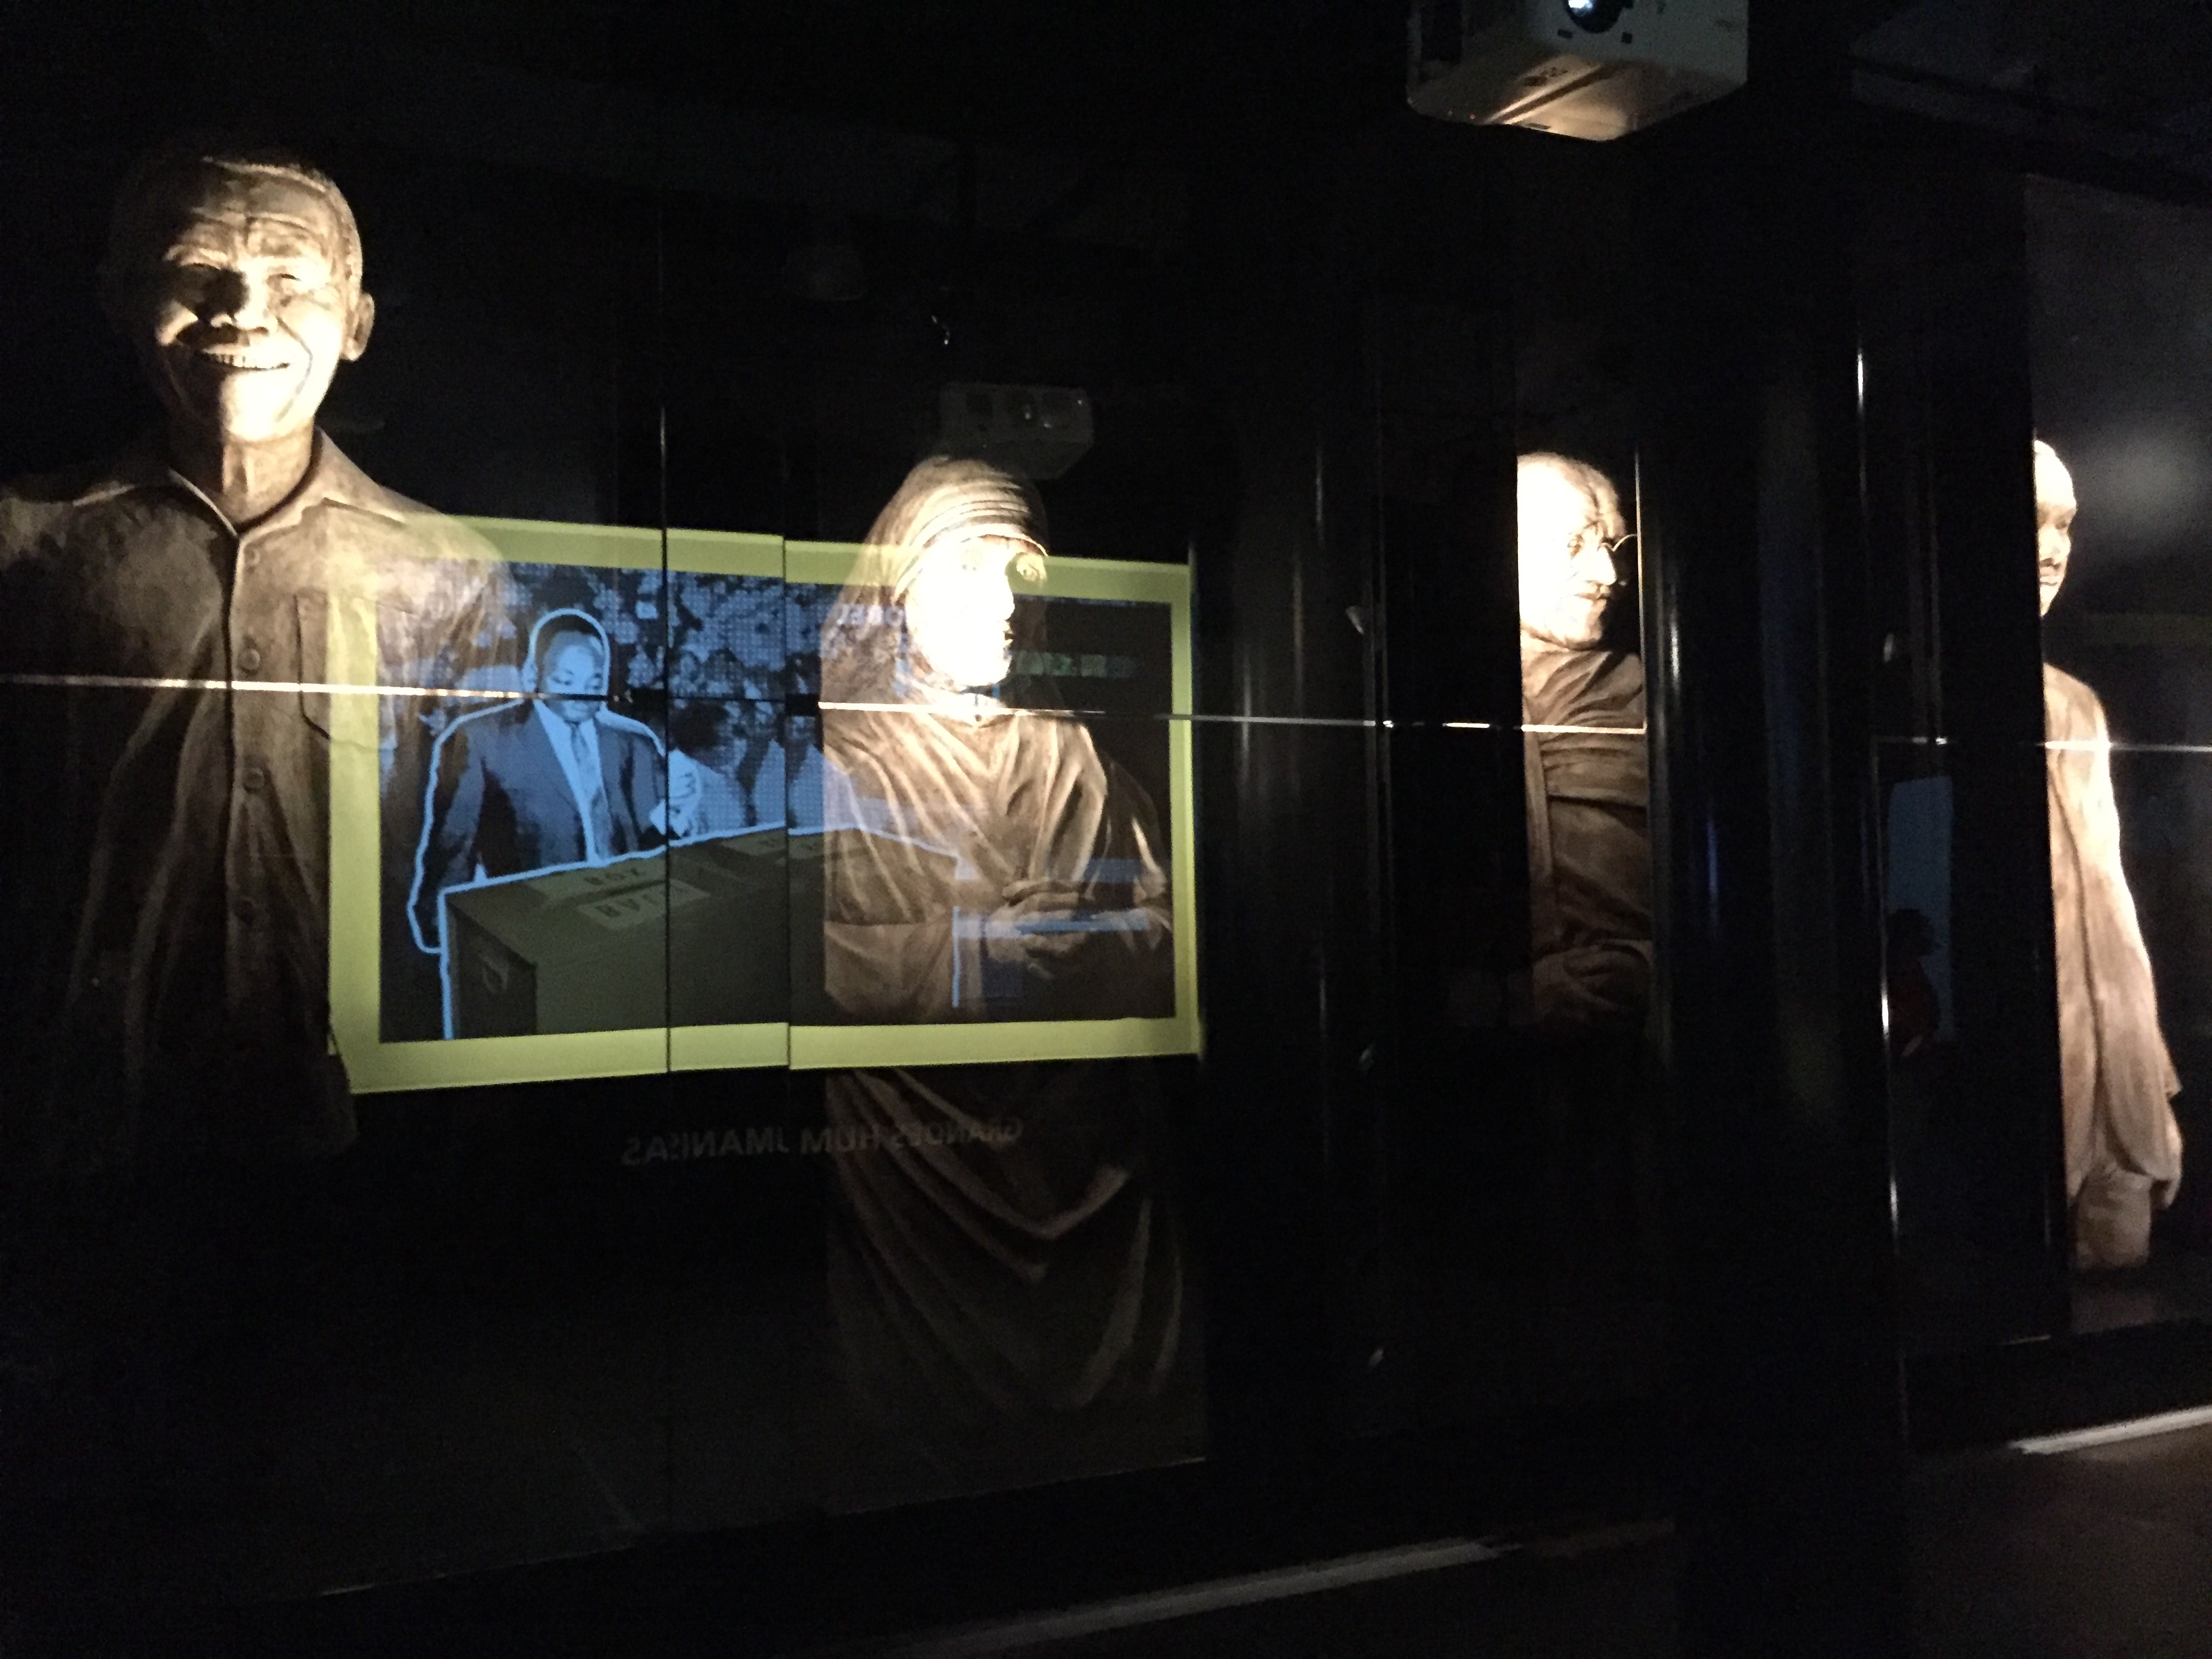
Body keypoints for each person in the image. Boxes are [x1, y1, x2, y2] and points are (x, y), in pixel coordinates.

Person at [0, 136, 511, 1173]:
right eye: (198, 273)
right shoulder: (25, 544)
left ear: (356, 322)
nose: (242, 312)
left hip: (355, 1131)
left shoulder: (448, 573)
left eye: (291, 280)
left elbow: (480, 862)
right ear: (119, 300)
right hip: (79, 1124)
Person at [815, 455, 1181, 1439]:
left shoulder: (1074, 754)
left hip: (1084, 1147)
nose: (1008, 606)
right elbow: (778, 954)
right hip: (916, 1158)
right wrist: (972, 958)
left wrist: (1091, 947)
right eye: (970, 571)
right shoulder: (834, 760)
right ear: (900, 590)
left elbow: (1164, 929)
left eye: (1022, 575)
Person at [2035, 437, 2184, 1270]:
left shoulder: (2077, 704)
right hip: (2025, 1036)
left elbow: (2106, 891)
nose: (2052, 549)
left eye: (2065, 525)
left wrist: (2139, 1040)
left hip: (2109, 1044)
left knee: (2120, 1253)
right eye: (2033, 521)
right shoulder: (1925, 690)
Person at [408, 609, 696, 954]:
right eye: (566, 681)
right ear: (534, 674)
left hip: (633, 932)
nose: (582, 696)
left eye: (594, 685)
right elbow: (453, 851)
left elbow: (653, 849)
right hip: (538, 937)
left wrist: (676, 814)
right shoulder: (483, 742)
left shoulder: (636, 745)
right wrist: (447, 935)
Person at [1516, 451, 1652, 1039]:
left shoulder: (1643, 695)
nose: (1608, 573)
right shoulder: (1435, 691)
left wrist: (1640, 967)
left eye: (1615, 547)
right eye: (1575, 545)